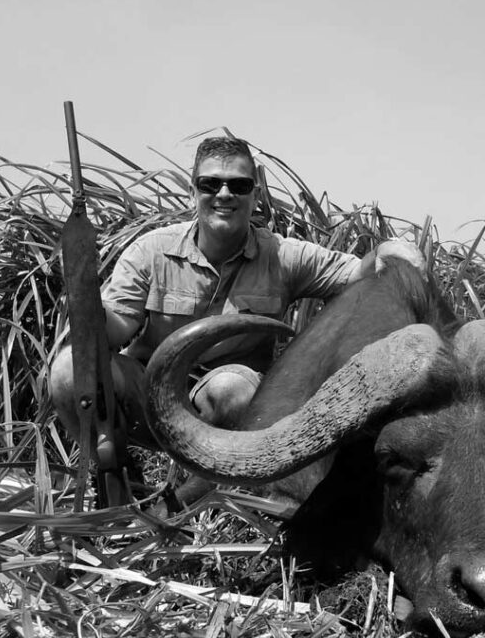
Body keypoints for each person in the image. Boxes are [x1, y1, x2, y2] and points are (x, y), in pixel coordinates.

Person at [48, 136, 425, 467]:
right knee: (69, 370)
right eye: (211, 183)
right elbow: (115, 331)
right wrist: (84, 296)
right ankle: (117, 470)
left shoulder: (282, 255)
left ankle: (208, 494)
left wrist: (390, 251)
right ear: (193, 192)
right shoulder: (151, 250)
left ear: (255, 196)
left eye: (239, 185)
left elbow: (358, 273)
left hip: (231, 405)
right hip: (149, 393)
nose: (224, 194)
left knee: (231, 389)